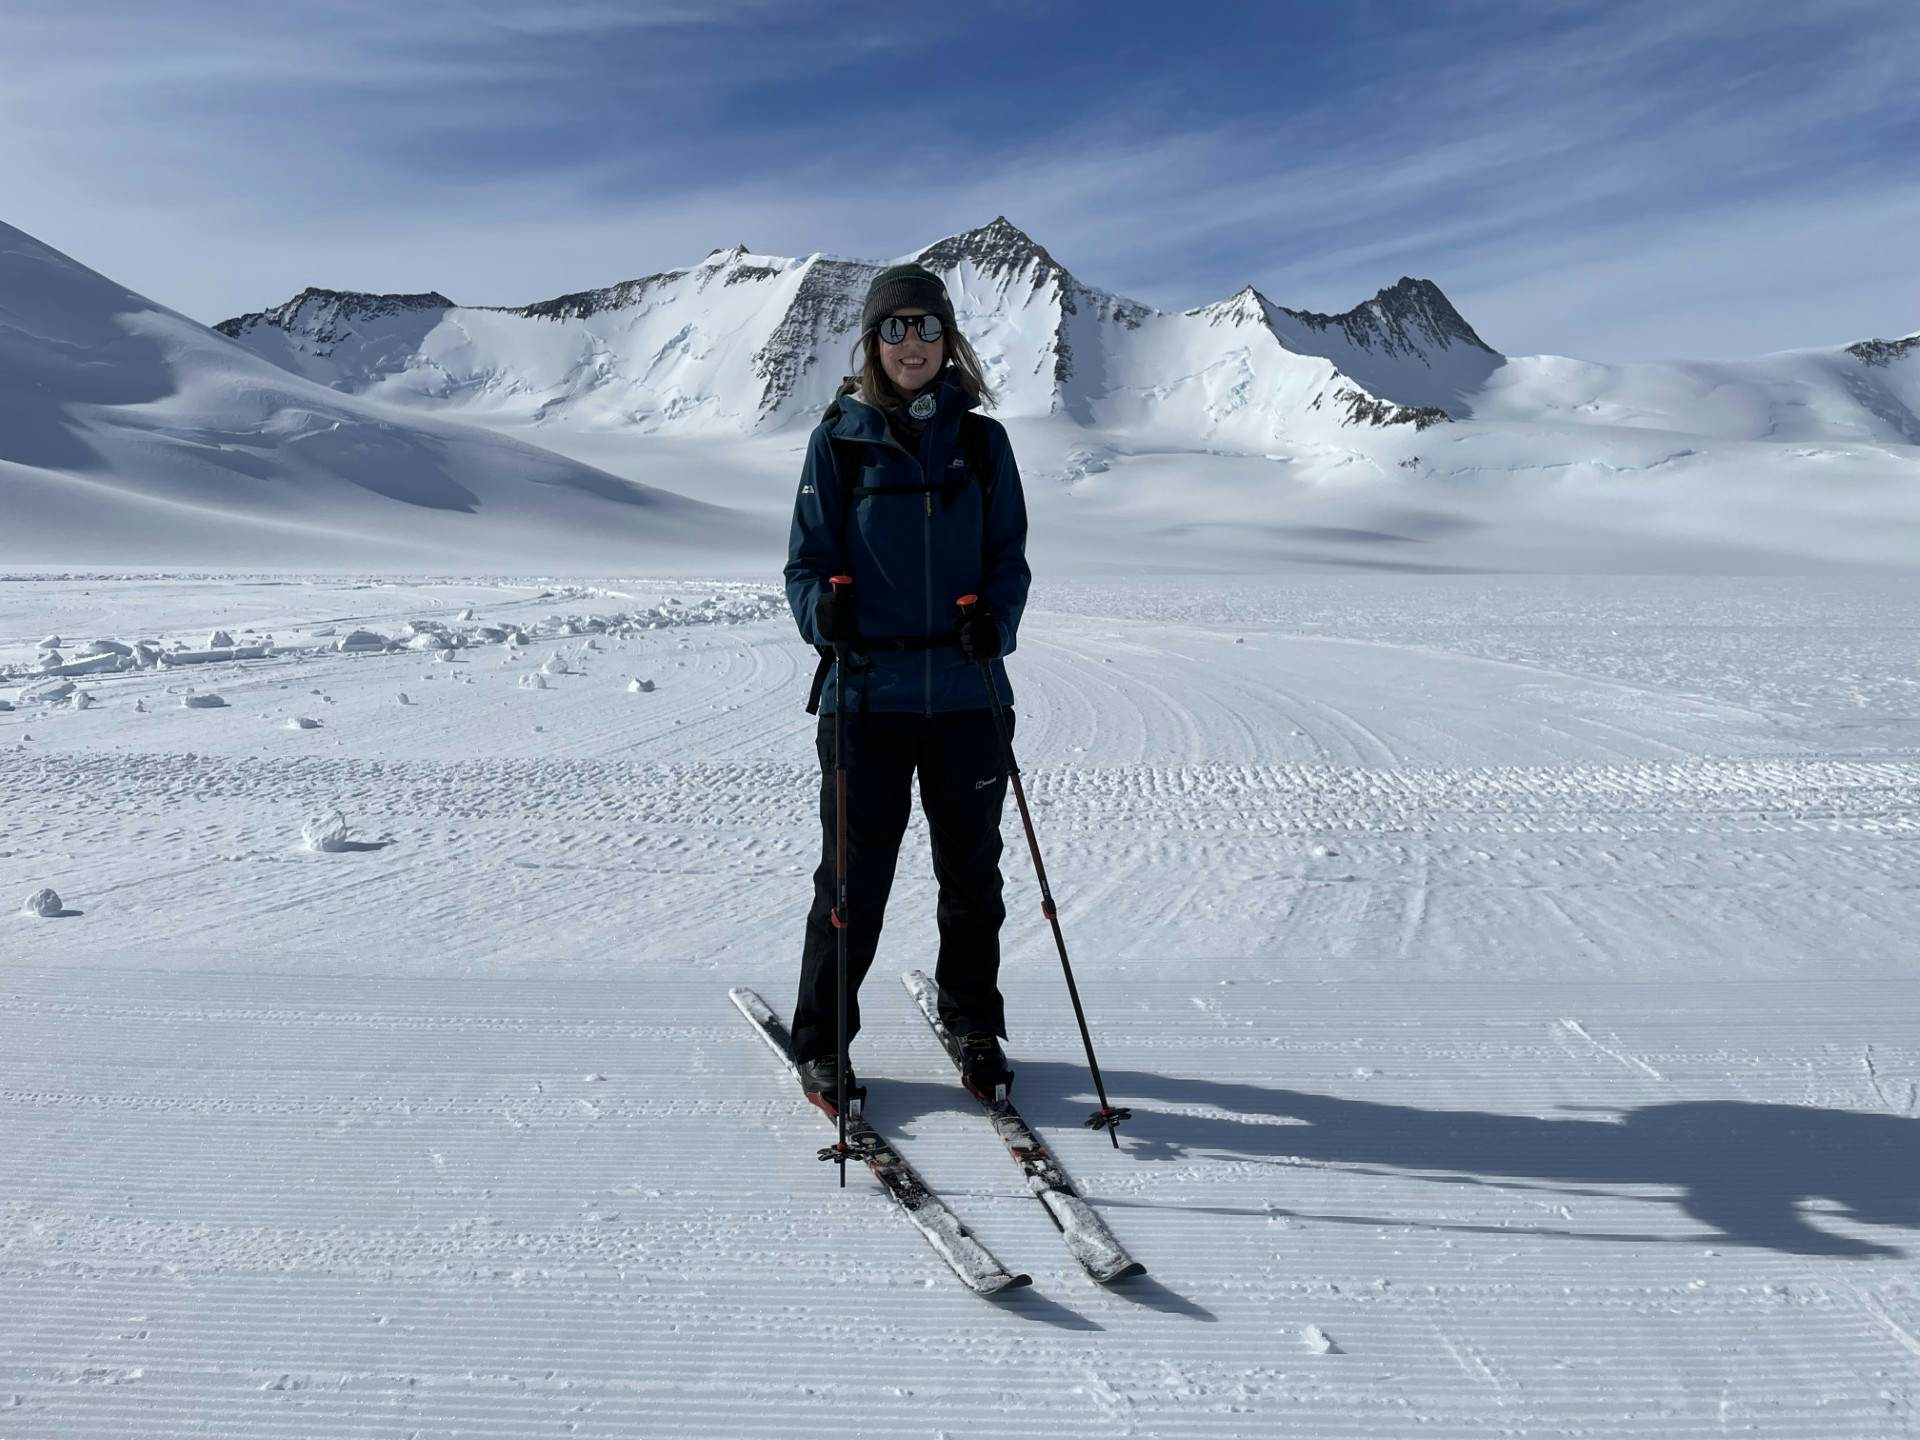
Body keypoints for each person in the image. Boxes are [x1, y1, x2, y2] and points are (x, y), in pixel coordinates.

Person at [782, 263, 1032, 1107]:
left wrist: (994, 625)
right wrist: (827, 613)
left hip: (966, 695)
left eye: (928, 327)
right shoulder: (839, 441)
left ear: (948, 337)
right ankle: (822, 1040)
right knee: (852, 883)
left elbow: (1009, 560)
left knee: (974, 880)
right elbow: (806, 564)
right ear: (872, 340)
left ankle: (973, 1023)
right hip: (866, 698)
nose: (913, 344)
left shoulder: (982, 443)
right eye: (896, 328)